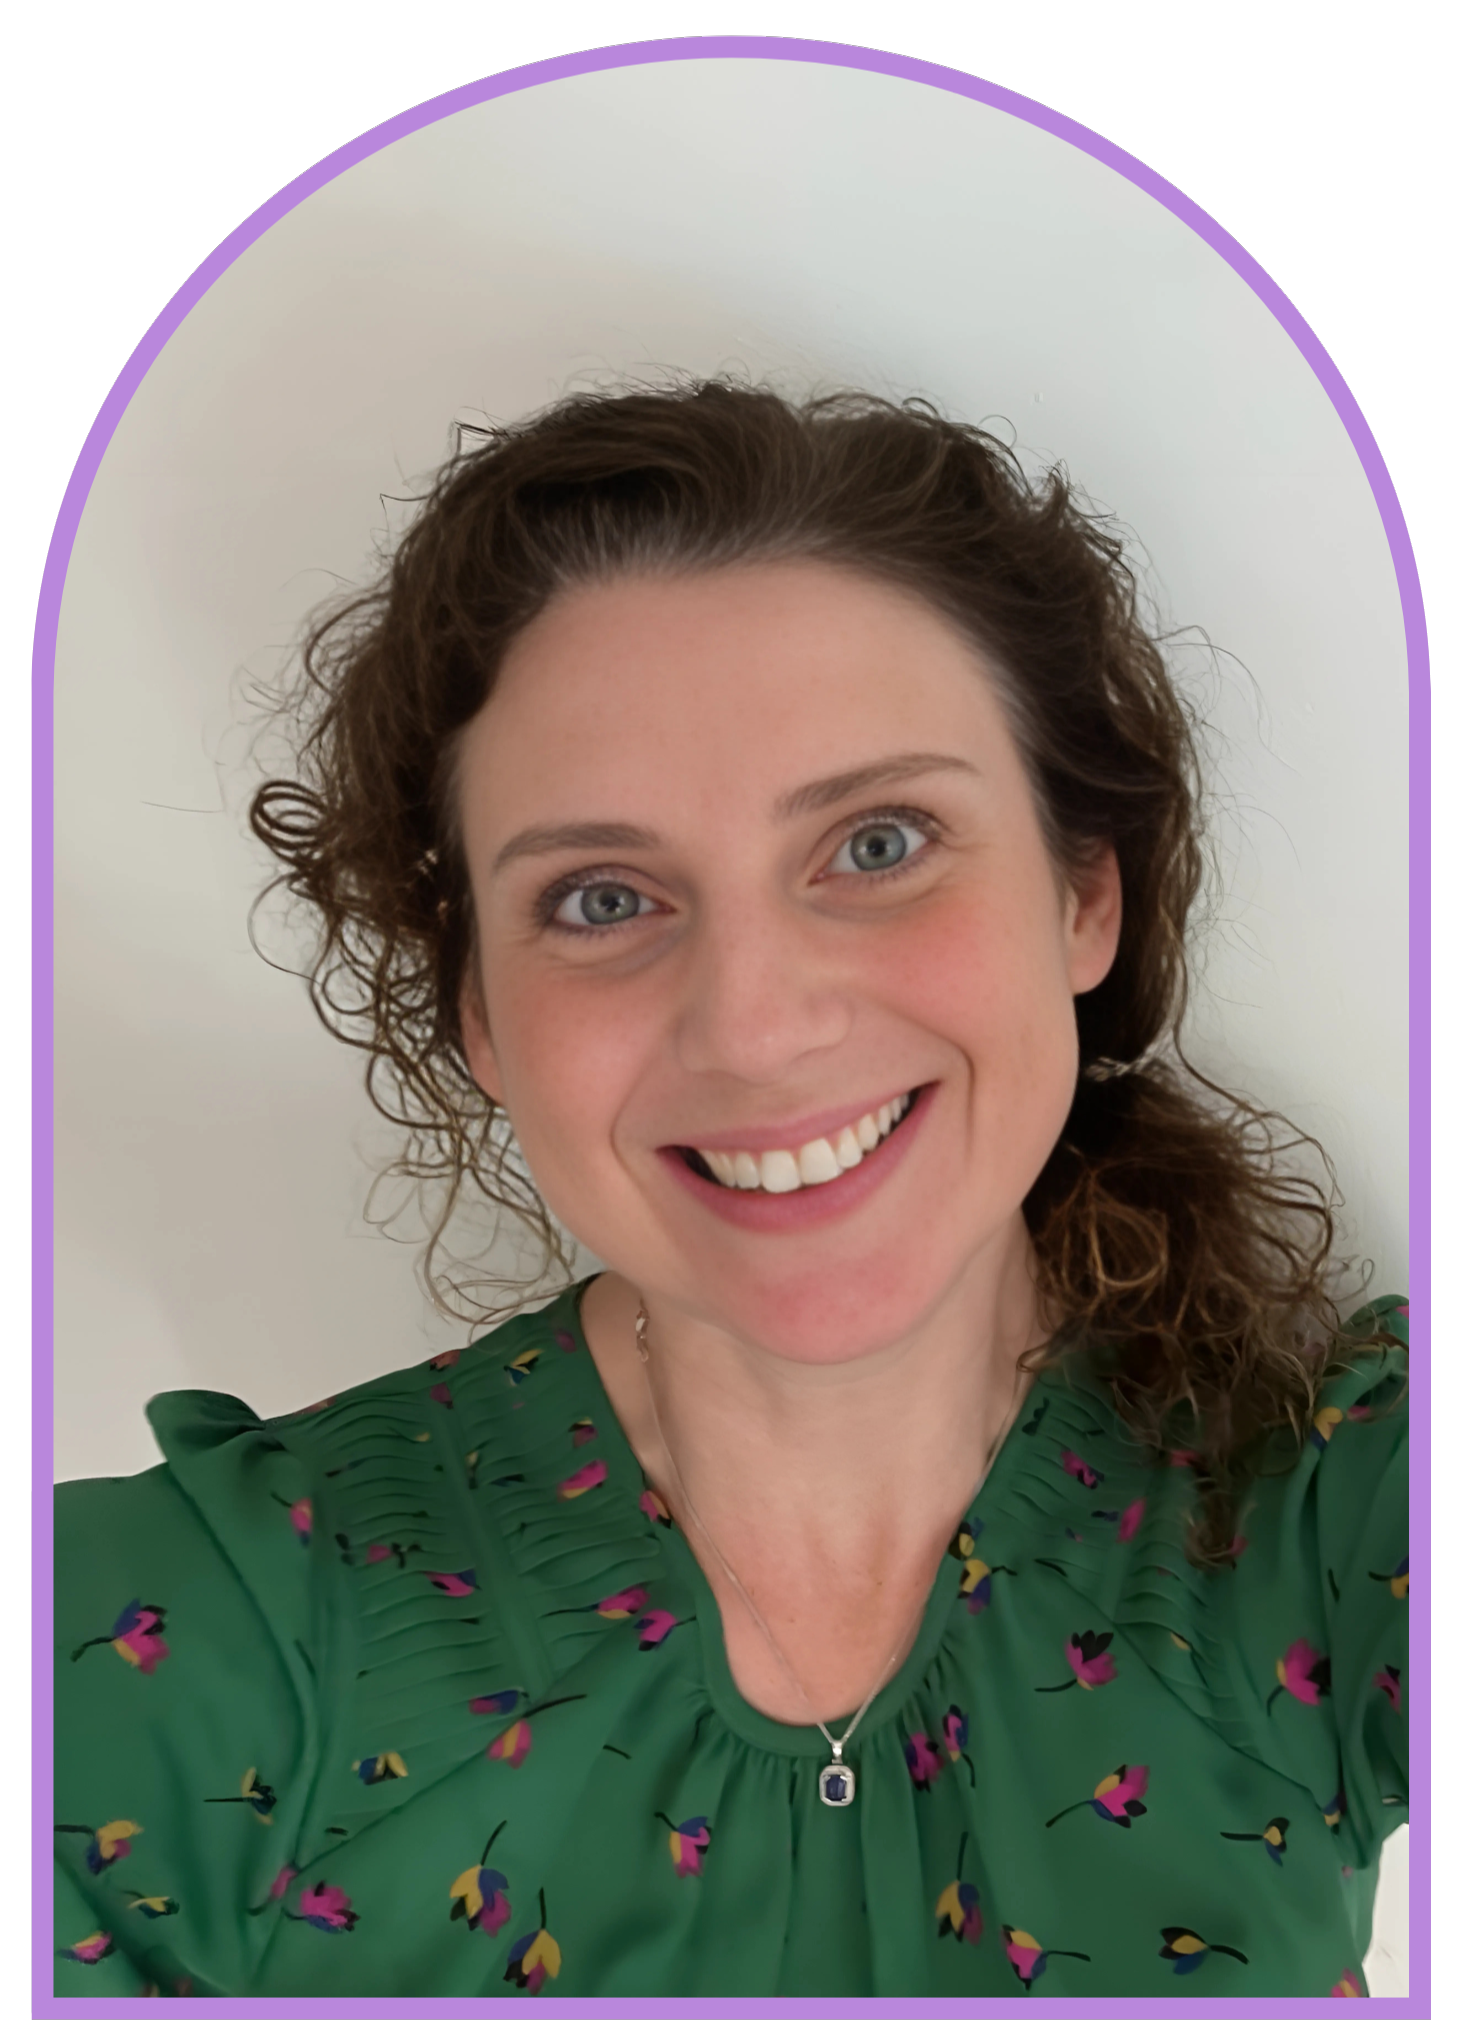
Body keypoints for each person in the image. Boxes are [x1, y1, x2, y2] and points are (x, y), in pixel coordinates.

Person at [53, 380, 1407, 2000]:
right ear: (481, 1016)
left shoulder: (1333, 1510)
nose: (755, 1028)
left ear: (1081, 897)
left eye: (879, 842)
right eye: (601, 897)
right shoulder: (188, 1640)